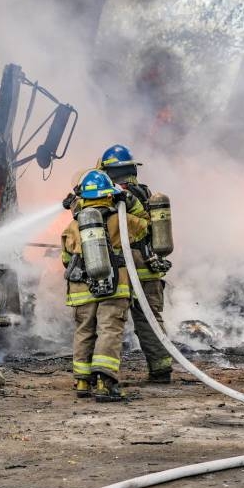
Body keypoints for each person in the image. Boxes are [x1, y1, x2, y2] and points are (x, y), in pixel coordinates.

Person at [61, 170, 148, 402]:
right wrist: (128, 201)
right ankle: (105, 382)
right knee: (109, 330)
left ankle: (82, 381)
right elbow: (146, 227)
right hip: (114, 287)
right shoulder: (121, 220)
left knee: (84, 332)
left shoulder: (73, 226)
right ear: (109, 195)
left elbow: (66, 260)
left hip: (80, 290)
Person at [98, 144, 175, 383]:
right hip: (148, 268)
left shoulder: (114, 197)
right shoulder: (145, 193)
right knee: (149, 319)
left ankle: (103, 375)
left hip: (122, 269)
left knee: (111, 321)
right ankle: (161, 369)